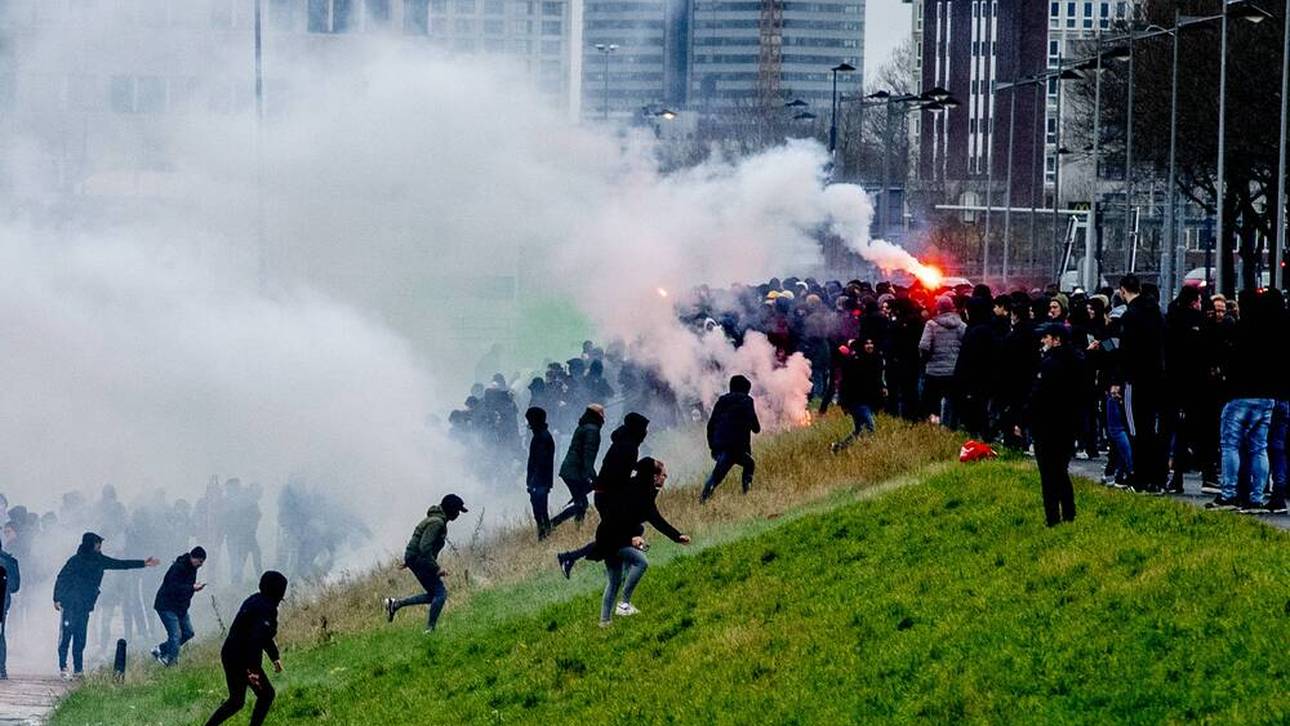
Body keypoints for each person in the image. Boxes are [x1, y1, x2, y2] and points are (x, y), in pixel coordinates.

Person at [589, 458, 690, 627]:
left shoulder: (638, 488)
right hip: (613, 538)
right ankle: (624, 604)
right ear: (654, 476)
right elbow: (631, 517)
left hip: (607, 536)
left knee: (614, 581)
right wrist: (630, 538)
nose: (665, 478)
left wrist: (677, 537)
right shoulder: (640, 493)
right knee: (641, 562)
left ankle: (604, 622)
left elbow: (654, 519)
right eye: (663, 475)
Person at [53, 532, 159, 679]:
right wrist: (57, 598)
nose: (100, 547)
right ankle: (63, 666)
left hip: (84, 606)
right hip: (70, 604)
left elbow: (120, 564)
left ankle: (78, 669)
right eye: (98, 544)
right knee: (66, 635)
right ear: (90, 544)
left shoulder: (99, 560)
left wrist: (143, 563)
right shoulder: (75, 561)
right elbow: (61, 578)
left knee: (80, 637)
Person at [204, 571, 288, 726]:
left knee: (236, 701)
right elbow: (256, 640)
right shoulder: (267, 608)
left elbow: (263, 636)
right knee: (267, 695)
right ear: (278, 592)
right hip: (241, 658)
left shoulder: (254, 599)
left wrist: (274, 657)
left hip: (230, 653)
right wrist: (253, 670)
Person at [383, 494, 467, 634]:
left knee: (434, 594)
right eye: (458, 511)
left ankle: (396, 604)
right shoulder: (437, 523)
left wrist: (409, 559)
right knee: (440, 594)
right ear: (451, 510)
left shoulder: (435, 520)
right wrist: (436, 568)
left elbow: (418, 542)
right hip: (420, 559)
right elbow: (424, 547)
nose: (458, 514)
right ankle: (430, 630)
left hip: (417, 559)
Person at [1026, 324, 1083, 526]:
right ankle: (1069, 512)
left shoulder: (1049, 364)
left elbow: (1038, 396)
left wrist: (1027, 419)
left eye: (1046, 337)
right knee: (1061, 470)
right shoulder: (1077, 361)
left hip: (1047, 425)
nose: (1043, 341)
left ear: (1057, 340)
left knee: (1048, 473)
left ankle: (1052, 517)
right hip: (1069, 424)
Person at [1115, 274, 1167, 494]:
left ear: (1122, 290)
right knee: (1151, 429)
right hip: (1156, 378)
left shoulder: (1130, 316)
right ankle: (1156, 478)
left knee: (1135, 430)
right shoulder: (1157, 314)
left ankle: (1139, 478)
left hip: (1135, 380)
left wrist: (1118, 380)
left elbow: (1125, 351)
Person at [701, 375, 762, 502]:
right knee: (747, 465)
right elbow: (756, 428)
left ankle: (704, 498)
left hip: (720, 446)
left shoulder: (721, 401)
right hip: (736, 447)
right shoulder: (747, 401)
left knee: (718, 474)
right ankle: (747, 492)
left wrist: (713, 446)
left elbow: (711, 425)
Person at [550, 404, 605, 530]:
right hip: (575, 472)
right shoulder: (592, 430)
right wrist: (593, 477)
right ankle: (552, 524)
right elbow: (588, 456)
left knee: (581, 503)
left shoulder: (584, 427)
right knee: (581, 504)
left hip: (571, 471)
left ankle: (575, 528)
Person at [151, 546, 207, 667]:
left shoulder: (193, 568)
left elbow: (186, 588)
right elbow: (173, 588)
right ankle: (171, 663)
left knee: (188, 632)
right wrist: (192, 588)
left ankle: (160, 649)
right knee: (175, 636)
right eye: (200, 561)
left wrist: (193, 588)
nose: (201, 565)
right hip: (166, 606)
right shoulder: (178, 567)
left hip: (180, 607)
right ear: (193, 557)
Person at [831, 338, 886, 452]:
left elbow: (877, 380)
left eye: (871, 343)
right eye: (867, 344)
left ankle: (838, 448)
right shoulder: (854, 361)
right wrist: (844, 403)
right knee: (869, 427)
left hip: (868, 400)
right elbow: (845, 383)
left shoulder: (875, 360)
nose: (870, 346)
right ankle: (867, 452)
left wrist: (883, 389)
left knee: (859, 430)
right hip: (856, 401)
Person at [919, 295, 966, 426]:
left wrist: (926, 361)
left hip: (934, 372)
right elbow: (966, 345)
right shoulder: (961, 325)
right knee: (952, 401)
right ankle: (950, 426)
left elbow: (924, 346)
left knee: (932, 402)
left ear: (938, 309)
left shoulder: (931, 325)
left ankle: (935, 425)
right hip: (953, 370)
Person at [524, 407, 556, 539]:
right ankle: (544, 534)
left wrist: (533, 482)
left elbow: (540, 462)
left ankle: (544, 535)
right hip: (541, 481)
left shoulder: (542, 437)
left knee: (540, 511)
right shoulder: (542, 435)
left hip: (540, 481)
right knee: (541, 510)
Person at [0, 539, 20, 680]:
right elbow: (14, 587)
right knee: (1, 635)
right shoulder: (10, 561)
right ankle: (2, 669)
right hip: (3, 602)